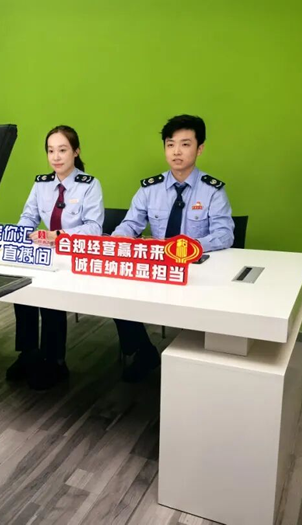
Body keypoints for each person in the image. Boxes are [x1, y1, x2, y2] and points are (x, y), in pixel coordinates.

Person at [112, 115, 234, 382]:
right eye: (170, 144)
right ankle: (143, 352)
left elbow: (225, 234)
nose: (177, 151)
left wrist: (188, 247)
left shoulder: (212, 191)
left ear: (200, 148)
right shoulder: (150, 189)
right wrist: (119, 238)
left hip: (194, 271)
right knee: (116, 295)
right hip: (157, 266)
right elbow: (130, 223)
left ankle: (197, 368)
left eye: (185, 144)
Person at [9, 125, 104, 390]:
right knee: (22, 290)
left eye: (62, 150)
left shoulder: (89, 185)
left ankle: (55, 361)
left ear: (76, 151)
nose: (56, 157)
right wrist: (19, 234)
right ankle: (28, 353)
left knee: (51, 298)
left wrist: (58, 236)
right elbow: (28, 217)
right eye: (51, 151)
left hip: (73, 256)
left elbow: (94, 228)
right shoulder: (42, 184)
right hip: (43, 253)